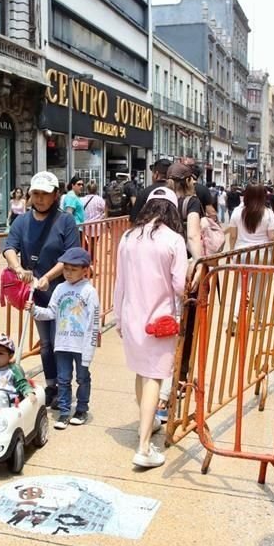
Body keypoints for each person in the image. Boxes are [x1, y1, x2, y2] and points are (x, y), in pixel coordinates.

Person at [113, 188, 187, 468]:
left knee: (141, 372)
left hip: (131, 317)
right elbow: (180, 285)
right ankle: (144, 447)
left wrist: (119, 317)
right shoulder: (174, 240)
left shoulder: (128, 236)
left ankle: (149, 422)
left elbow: (119, 281)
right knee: (155, 378)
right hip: (160, 321)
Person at [4, 172, 81, 409]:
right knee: (46, 342)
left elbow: (70, 254)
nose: (39, 198)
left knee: (62, 341)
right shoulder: (22, 221)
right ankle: (52, 386)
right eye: (35, 193)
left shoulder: (65, 221)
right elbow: (9, 247)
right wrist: (18, 268)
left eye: (45, 194)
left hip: (63, 291)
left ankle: (65, 386)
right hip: (36, 294)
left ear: (55, 195)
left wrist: (48, 276)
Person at [28, 247, 99, 429]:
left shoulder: (90, 292)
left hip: (81, 345)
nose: (68, 273)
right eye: (66, 268)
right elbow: (51, 312)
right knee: (63, 379)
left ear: (85, 270)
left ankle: (82, 409)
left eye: (73, 269)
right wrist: (34, 310)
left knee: (82, 378)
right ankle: (65, 412)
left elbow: (93, 322)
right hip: (62, 344)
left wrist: (89, 349)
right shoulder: (59, 288)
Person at [168, 162, 204, 260]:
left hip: (162, 255)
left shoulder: (160, 200)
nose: (194, 182)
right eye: (192, 179)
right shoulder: (191, 202)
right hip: (183, 256)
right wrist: (198, 261)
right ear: (188, 181)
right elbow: (192, 236)